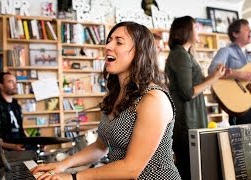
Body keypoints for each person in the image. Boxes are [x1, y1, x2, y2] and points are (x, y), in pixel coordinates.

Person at [31, 21, 181, 180]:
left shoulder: (153, 99)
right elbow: (100, 147)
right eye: (109, 40)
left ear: (139, 52)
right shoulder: (116, 94)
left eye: (118, 42)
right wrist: (62, 165)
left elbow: (131, 169)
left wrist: (72, 177)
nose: (108, 46)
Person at [165, 16, 225, 180]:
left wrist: (213, 76)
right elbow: (188, 93)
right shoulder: (180, 55)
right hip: (187, 119)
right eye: (195, 27)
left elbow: (193, 86)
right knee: (189, 167)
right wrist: (213, 79)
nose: (199, 30)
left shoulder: (185, 54)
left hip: (191, 116)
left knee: (193, 166)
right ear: (185, 31)